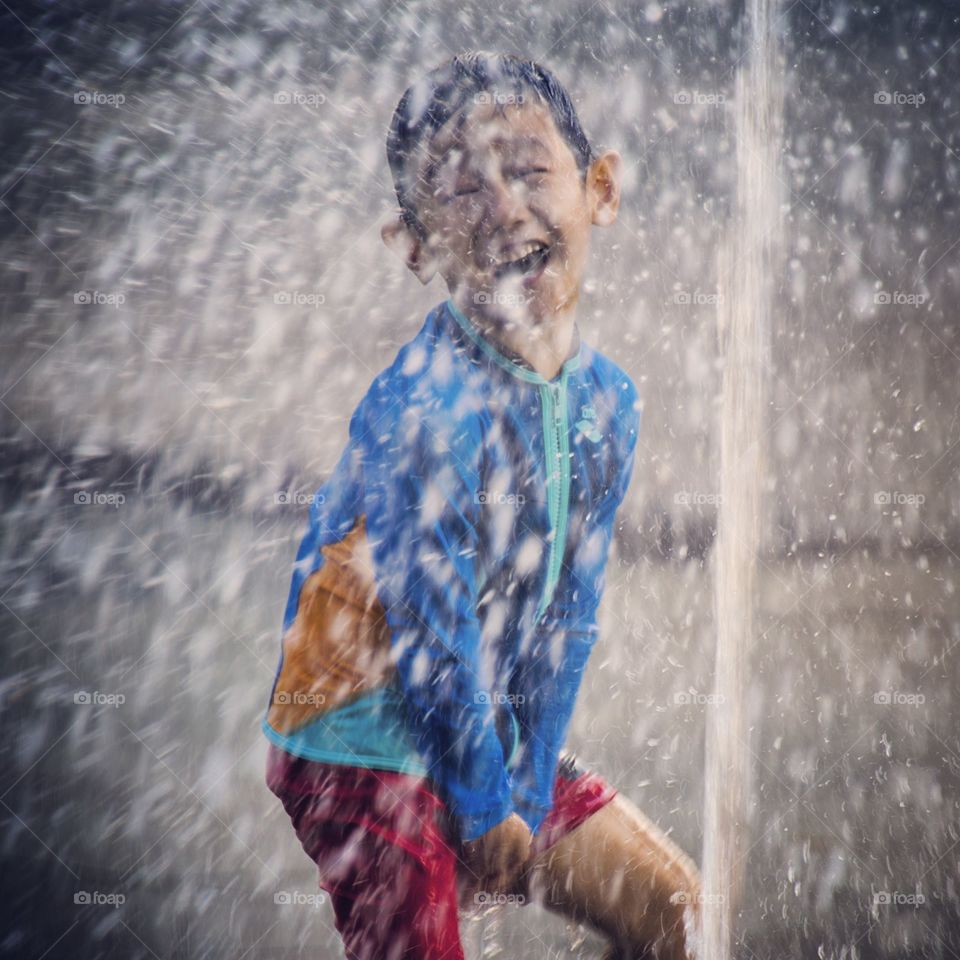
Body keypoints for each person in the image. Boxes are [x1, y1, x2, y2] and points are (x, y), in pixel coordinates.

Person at [263, 51, 702, 959]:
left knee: (680, 915)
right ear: (416, 246)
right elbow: (432, 628)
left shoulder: (608, 404)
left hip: (477, 724)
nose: (504, 207)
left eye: (531, 171)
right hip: (356, 742)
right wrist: (477, 803)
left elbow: (569, 617)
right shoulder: (423, 411)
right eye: (462, 192)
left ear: (601, 190)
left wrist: (527, 795)